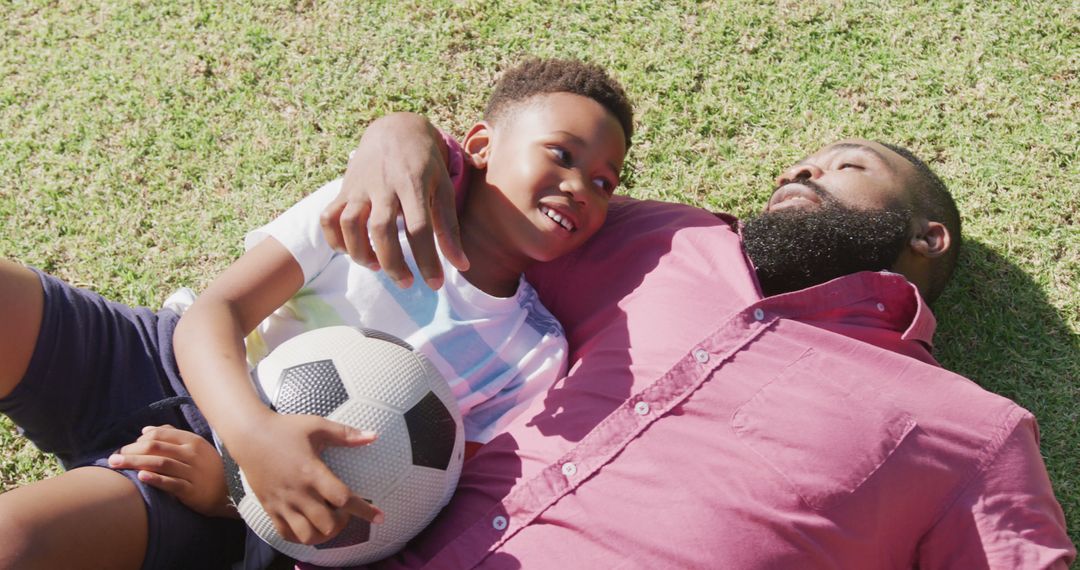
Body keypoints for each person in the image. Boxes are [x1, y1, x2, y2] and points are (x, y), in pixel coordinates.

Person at [310, 115, 1076, 568]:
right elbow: (494, 189)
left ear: (926, 236)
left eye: (849, 165)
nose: (806, 167)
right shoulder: (669, 240)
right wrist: (400, 132)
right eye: (803, 161)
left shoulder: (971, 430)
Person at [0, 58, 633, 569]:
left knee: (17, 541)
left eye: (606, 182)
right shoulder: (367, 207)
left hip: (257, 509)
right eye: (563, 154)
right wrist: (247, 435)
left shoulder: (533, 355)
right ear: (480, 145)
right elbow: (216, 311)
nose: (582, 186)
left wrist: (230, 486)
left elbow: (412, 507)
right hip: (172, 365)